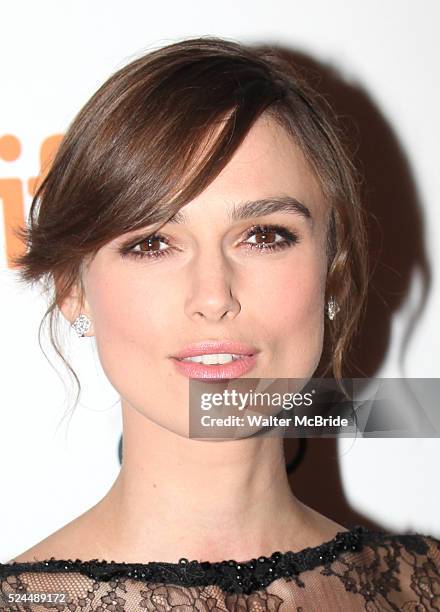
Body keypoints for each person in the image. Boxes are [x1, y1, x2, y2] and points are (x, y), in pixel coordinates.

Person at [1, 36, 439, 611]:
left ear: (333, 277)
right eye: (153, 243)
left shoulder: (422, 588)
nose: (214, 297)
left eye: (263, 236)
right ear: (72, 289)